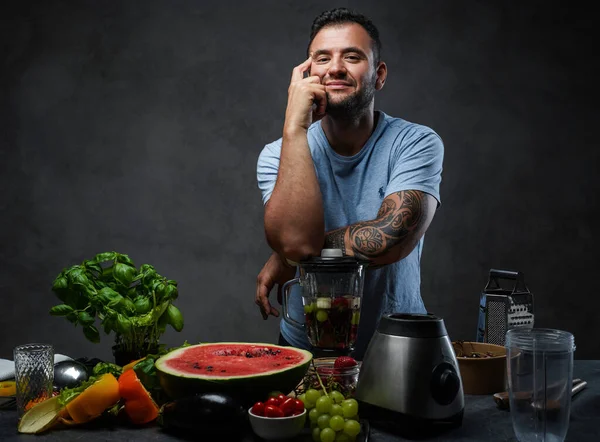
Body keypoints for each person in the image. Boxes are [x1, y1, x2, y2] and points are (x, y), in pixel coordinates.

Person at [255, 7, 443, 360]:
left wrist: (288, 257)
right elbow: (296, 243)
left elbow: (391, 239)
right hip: (304, 346)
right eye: (322, 58)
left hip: (397, 345)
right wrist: (294, 127)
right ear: (306, 74)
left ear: (379, 74)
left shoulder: (416, 143)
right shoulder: (277, 154)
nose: (336, 68)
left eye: (352, 56)